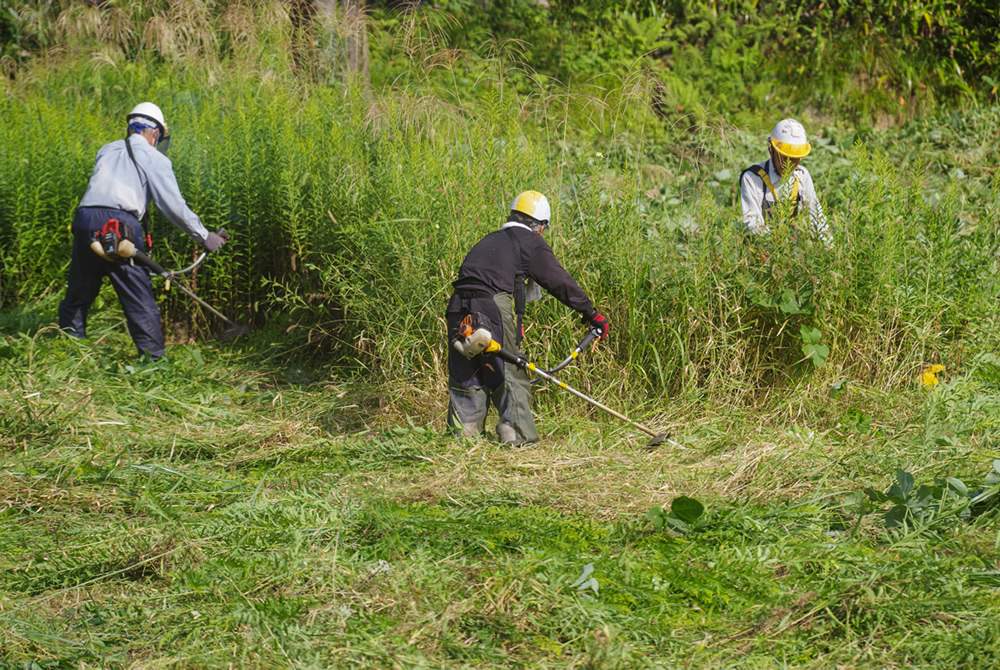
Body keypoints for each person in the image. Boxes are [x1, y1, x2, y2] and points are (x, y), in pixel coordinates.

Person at [58, 102, 225, 360]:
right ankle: (153, 366)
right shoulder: (154, 157)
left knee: (79, 292)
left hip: (84, 219)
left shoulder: (106, 149)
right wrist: (204, 236)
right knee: (138, 298)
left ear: (130, 128)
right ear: (155, 133)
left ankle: (70, 356)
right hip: (118, 225)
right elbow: (172, 205)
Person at [446, 190, 609, 446]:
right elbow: (560, 283)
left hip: (457, 307)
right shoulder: (530, 241)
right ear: (540, 226)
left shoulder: (491, 239)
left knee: (466, 374)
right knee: (510, 372)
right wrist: (593, 315)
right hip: (490, 306)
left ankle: (461, 442)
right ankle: (519, 441)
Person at [739, 118, 831, 246]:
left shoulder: (802, 176)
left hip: (791, 256)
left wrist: (830, 249)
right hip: (759, 256)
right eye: (785, 157)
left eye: (795, 158)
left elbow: (817, 217)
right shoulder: (752, 178)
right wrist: (778, 243)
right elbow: (751, 224)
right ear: (771, 151)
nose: (790, 164)